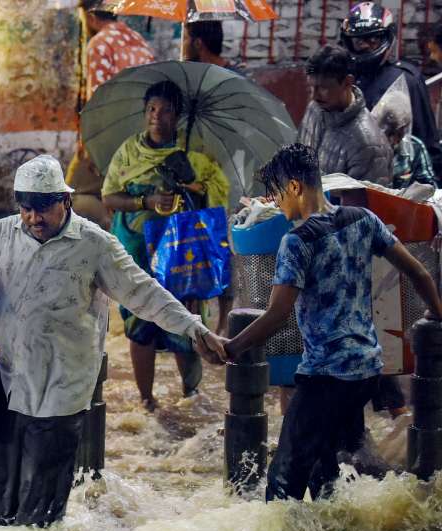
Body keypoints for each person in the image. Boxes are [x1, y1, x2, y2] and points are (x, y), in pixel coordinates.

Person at [0, 155, 228, 530]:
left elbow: (144, 293)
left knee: (42, 505)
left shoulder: (95, 245)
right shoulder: (2, 233)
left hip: (63, 386)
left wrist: (194, 329)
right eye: (26, 210)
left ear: (66, 201)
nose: (33, 220)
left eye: (43, 210)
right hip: (10, 378)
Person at [225, 144, 442, 501]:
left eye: (278, 194)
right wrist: (436, 312)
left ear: (294, 188)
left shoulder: (296, 242)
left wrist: (233, 347)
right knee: (323, 470)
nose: (277, 203)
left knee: (281, 483)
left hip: (326, 376)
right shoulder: (363, 219)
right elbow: (418, 272)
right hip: (367, 372)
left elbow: (278, 314)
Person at [101, 80, 232, 411]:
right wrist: (147, 200)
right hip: (137, 249)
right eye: (151, 109)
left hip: (180, 253)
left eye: (166, 110)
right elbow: (109, 195)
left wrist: (192, 185)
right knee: (139, 321)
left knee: (186, 321)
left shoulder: (195, 153)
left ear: (178, 117)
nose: (156, 117)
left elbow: (217, 196)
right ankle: (146, 401)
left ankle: (192, 397)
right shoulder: (129, 152)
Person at [69, 0, 155, 230]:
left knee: (70, 196)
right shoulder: (140, 42)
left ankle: (107, 233)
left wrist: (91, 143)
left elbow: (99, 100)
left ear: (90, 16)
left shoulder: (100, 44)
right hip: (141, 138)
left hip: (110, 135)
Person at [341, 2, 442, 178]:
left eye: (372, 40)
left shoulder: (405, 78)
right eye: (358, 41)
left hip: (396, 179)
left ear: (386, 38)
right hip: (346, 175)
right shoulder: (344, 77)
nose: (364, 46)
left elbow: (426, 141)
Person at [297, 45, 392, 186]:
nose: (314, 96)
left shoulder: (369, 146)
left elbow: (364, 206)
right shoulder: (315, 109)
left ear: (348, 82)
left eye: (323, 88)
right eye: (311, 87)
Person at [373, 89, 437, 189]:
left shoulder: (415, 148)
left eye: (399, 134)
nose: (394, 140)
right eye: (389, 133)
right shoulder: (367, 148)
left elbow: (429, 185)